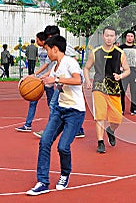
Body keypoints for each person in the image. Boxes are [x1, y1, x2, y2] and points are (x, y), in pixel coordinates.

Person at [26, 35, 85, 196]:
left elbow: (78, 80)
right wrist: (37, 80)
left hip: (75, 112)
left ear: (55, 49)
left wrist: (56, 79)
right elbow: (52, 81)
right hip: (60, 110)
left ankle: (65, 174)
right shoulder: (55, 66)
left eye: (47, 50)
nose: (46, 53)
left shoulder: (70, 62)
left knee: (63, 147)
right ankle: (43, 182)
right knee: (45, 142)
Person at [83, 26, 130, 153]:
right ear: (103, 36)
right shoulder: (96, 52)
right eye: (107, 35)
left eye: (112, 36)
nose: (109, 38)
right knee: (100, 116)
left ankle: (111, 130)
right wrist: (87, 80)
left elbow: (127, 70)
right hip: (99, 87)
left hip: (114, 89)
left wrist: (120, 76)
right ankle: (100, 142)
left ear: (115, 37)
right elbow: (86, 68)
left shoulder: (120, 53)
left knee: (117, 119)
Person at [33, 25, 85, 138]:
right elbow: (52, 67)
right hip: (60, 81)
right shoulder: (51, 50)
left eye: (50, 37)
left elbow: (74, 65)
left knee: (55, 104)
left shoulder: (65, 48)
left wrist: (58, 77)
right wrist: (36, 77)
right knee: (55, 104)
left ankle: (52, 130)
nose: (48, 39)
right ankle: (75, 129)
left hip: (67, 81)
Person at [15, 32, 55, 132]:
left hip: (48, 80)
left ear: (43, 40)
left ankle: (54, 126)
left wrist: (37, 75)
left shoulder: (51, 50)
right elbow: (41, 64)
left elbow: (48, 65)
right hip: (39, 79)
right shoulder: (40, 50)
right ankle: (28, 124)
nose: (36, 42)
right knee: (32, 100)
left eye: (37, 40)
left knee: (52, 104)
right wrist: (35, 76)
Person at [119, 30, 136, 116]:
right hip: (124, 73)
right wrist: (119, 67)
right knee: (122, 91)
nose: (130, 38)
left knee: (134, 92)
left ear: (133, 38)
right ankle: (121, 109)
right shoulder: (121, 47)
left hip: (133, 72)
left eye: (131, 36)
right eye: (128, 36)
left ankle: (134, 109)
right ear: (125, 37)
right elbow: (116, 58)